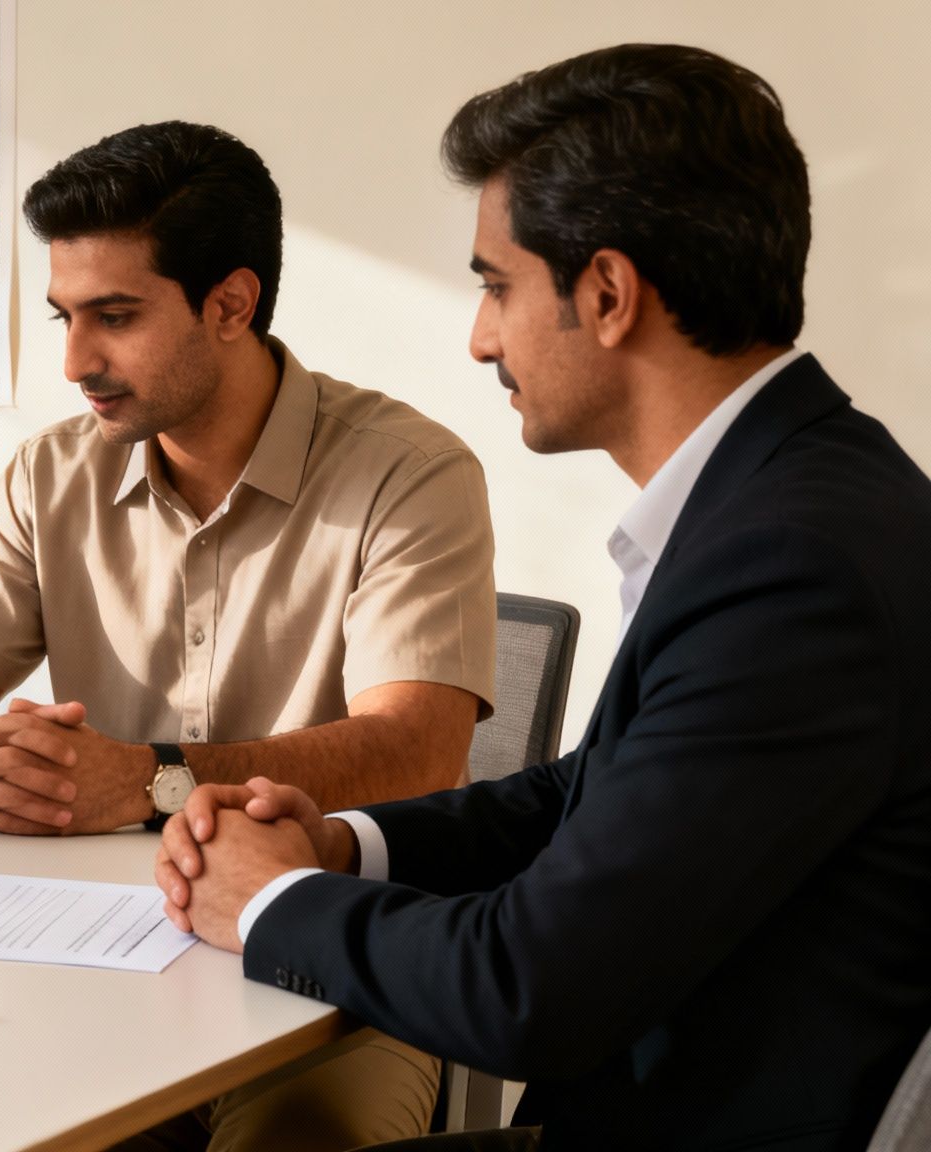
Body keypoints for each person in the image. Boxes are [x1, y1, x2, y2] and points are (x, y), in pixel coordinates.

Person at [156, 44, 931, 1152]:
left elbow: (529, 990)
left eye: (494, 286)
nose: (478, 337)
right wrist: (340, 844)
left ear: (607, 294)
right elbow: (589, 796)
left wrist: (269, 901)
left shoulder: (791, 566)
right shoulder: (792, 497)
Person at [0, 121, 497, 1149]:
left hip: (324, 962)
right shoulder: (48, 475)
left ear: (230, 305)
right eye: (65, 316)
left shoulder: (407, 474)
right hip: (93, 953)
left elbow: (416, 752)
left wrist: (150, 783)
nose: (75, 360)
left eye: (113, 316)